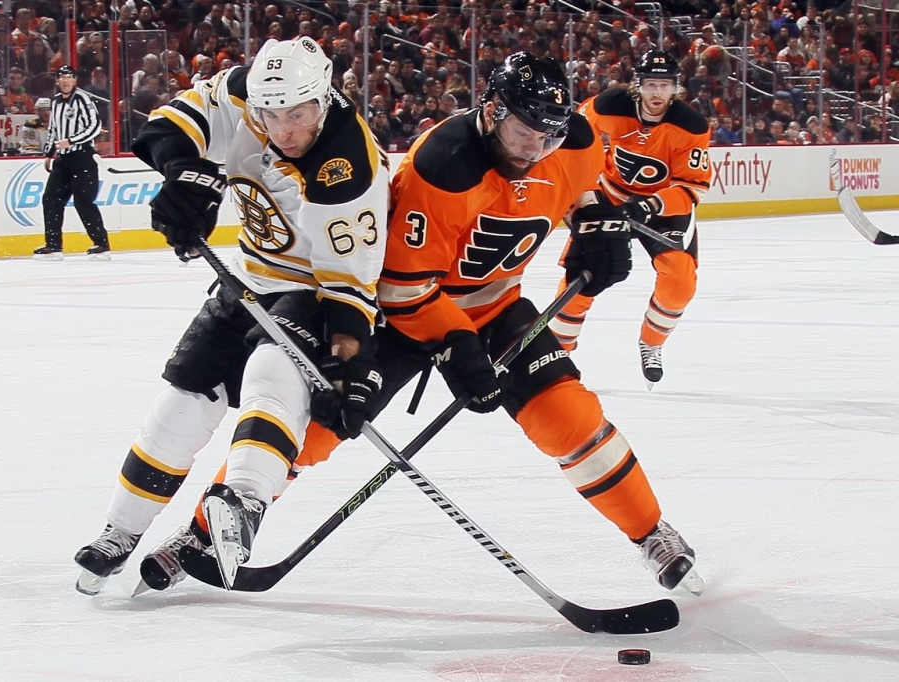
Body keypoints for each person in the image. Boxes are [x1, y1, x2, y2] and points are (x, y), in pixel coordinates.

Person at [92, 51, 703, 599]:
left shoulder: (568, 141)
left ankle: (653, 534)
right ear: (492, 112)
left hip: (497, 307)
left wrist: (597, 225)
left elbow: (581, 190)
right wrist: (457, 347)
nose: (535, 151)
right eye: (523, 134)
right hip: (406, 316)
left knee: (574, 419)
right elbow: (402, 288)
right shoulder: (442, 165)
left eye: (548, 138)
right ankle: (207, 531)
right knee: (317, 429)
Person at [72, 36, 390, 595]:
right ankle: (119, 531)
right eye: (271, 114)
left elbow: (350, 286)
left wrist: (347, 365)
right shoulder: (243, 95)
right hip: (249, 276)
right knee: (183, 399)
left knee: (273, 371)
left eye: (298, 113)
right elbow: (170, 126)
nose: (283, 128)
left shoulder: (349, 167)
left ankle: (242, 502)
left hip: (317, 292)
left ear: (325, 97)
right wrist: (185, 174)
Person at [547, 50, 711, 387]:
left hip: (662, 207)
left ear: (676, 89)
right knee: (583, 274)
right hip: (611, 195)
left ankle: (651, 342)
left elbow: (693, 186)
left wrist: (649, 206)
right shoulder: (607, 106)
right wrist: (586, 197)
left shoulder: (691, 126)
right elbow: (572, 143)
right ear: (637, 86)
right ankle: (556, 354)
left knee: (680, 282)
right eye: (650, 84)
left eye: (664, 86)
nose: (656, 94)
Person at [34, 65, 110, 260]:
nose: (66, 81)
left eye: (69, 77)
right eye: (62, 77)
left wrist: (72, 140)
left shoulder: (83, 99)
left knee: (83, 201)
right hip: (63, 159)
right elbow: (53, 129)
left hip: (82, 157)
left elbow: (95, 126)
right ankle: (54, 245)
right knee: (51, 199)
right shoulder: (56, 102)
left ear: (75, 80)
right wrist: (49, 153)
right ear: (57, 81)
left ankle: (101, 243)